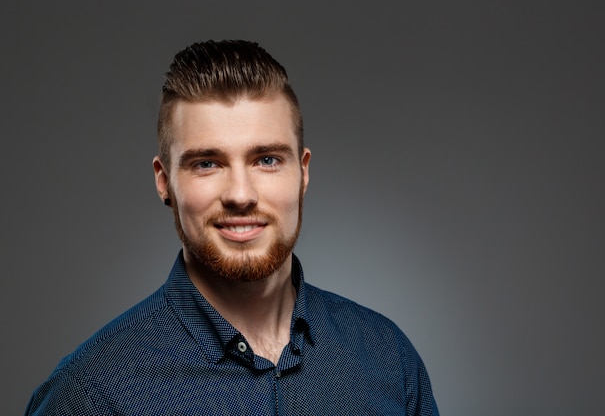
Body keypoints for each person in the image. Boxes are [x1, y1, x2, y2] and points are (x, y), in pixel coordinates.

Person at [25, 39, 439, 415]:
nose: (240, 194)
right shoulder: (89, 394)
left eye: (267, 159)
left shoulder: (388, 357)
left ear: (303, 172)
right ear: (164, 180)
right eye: (207, 163)